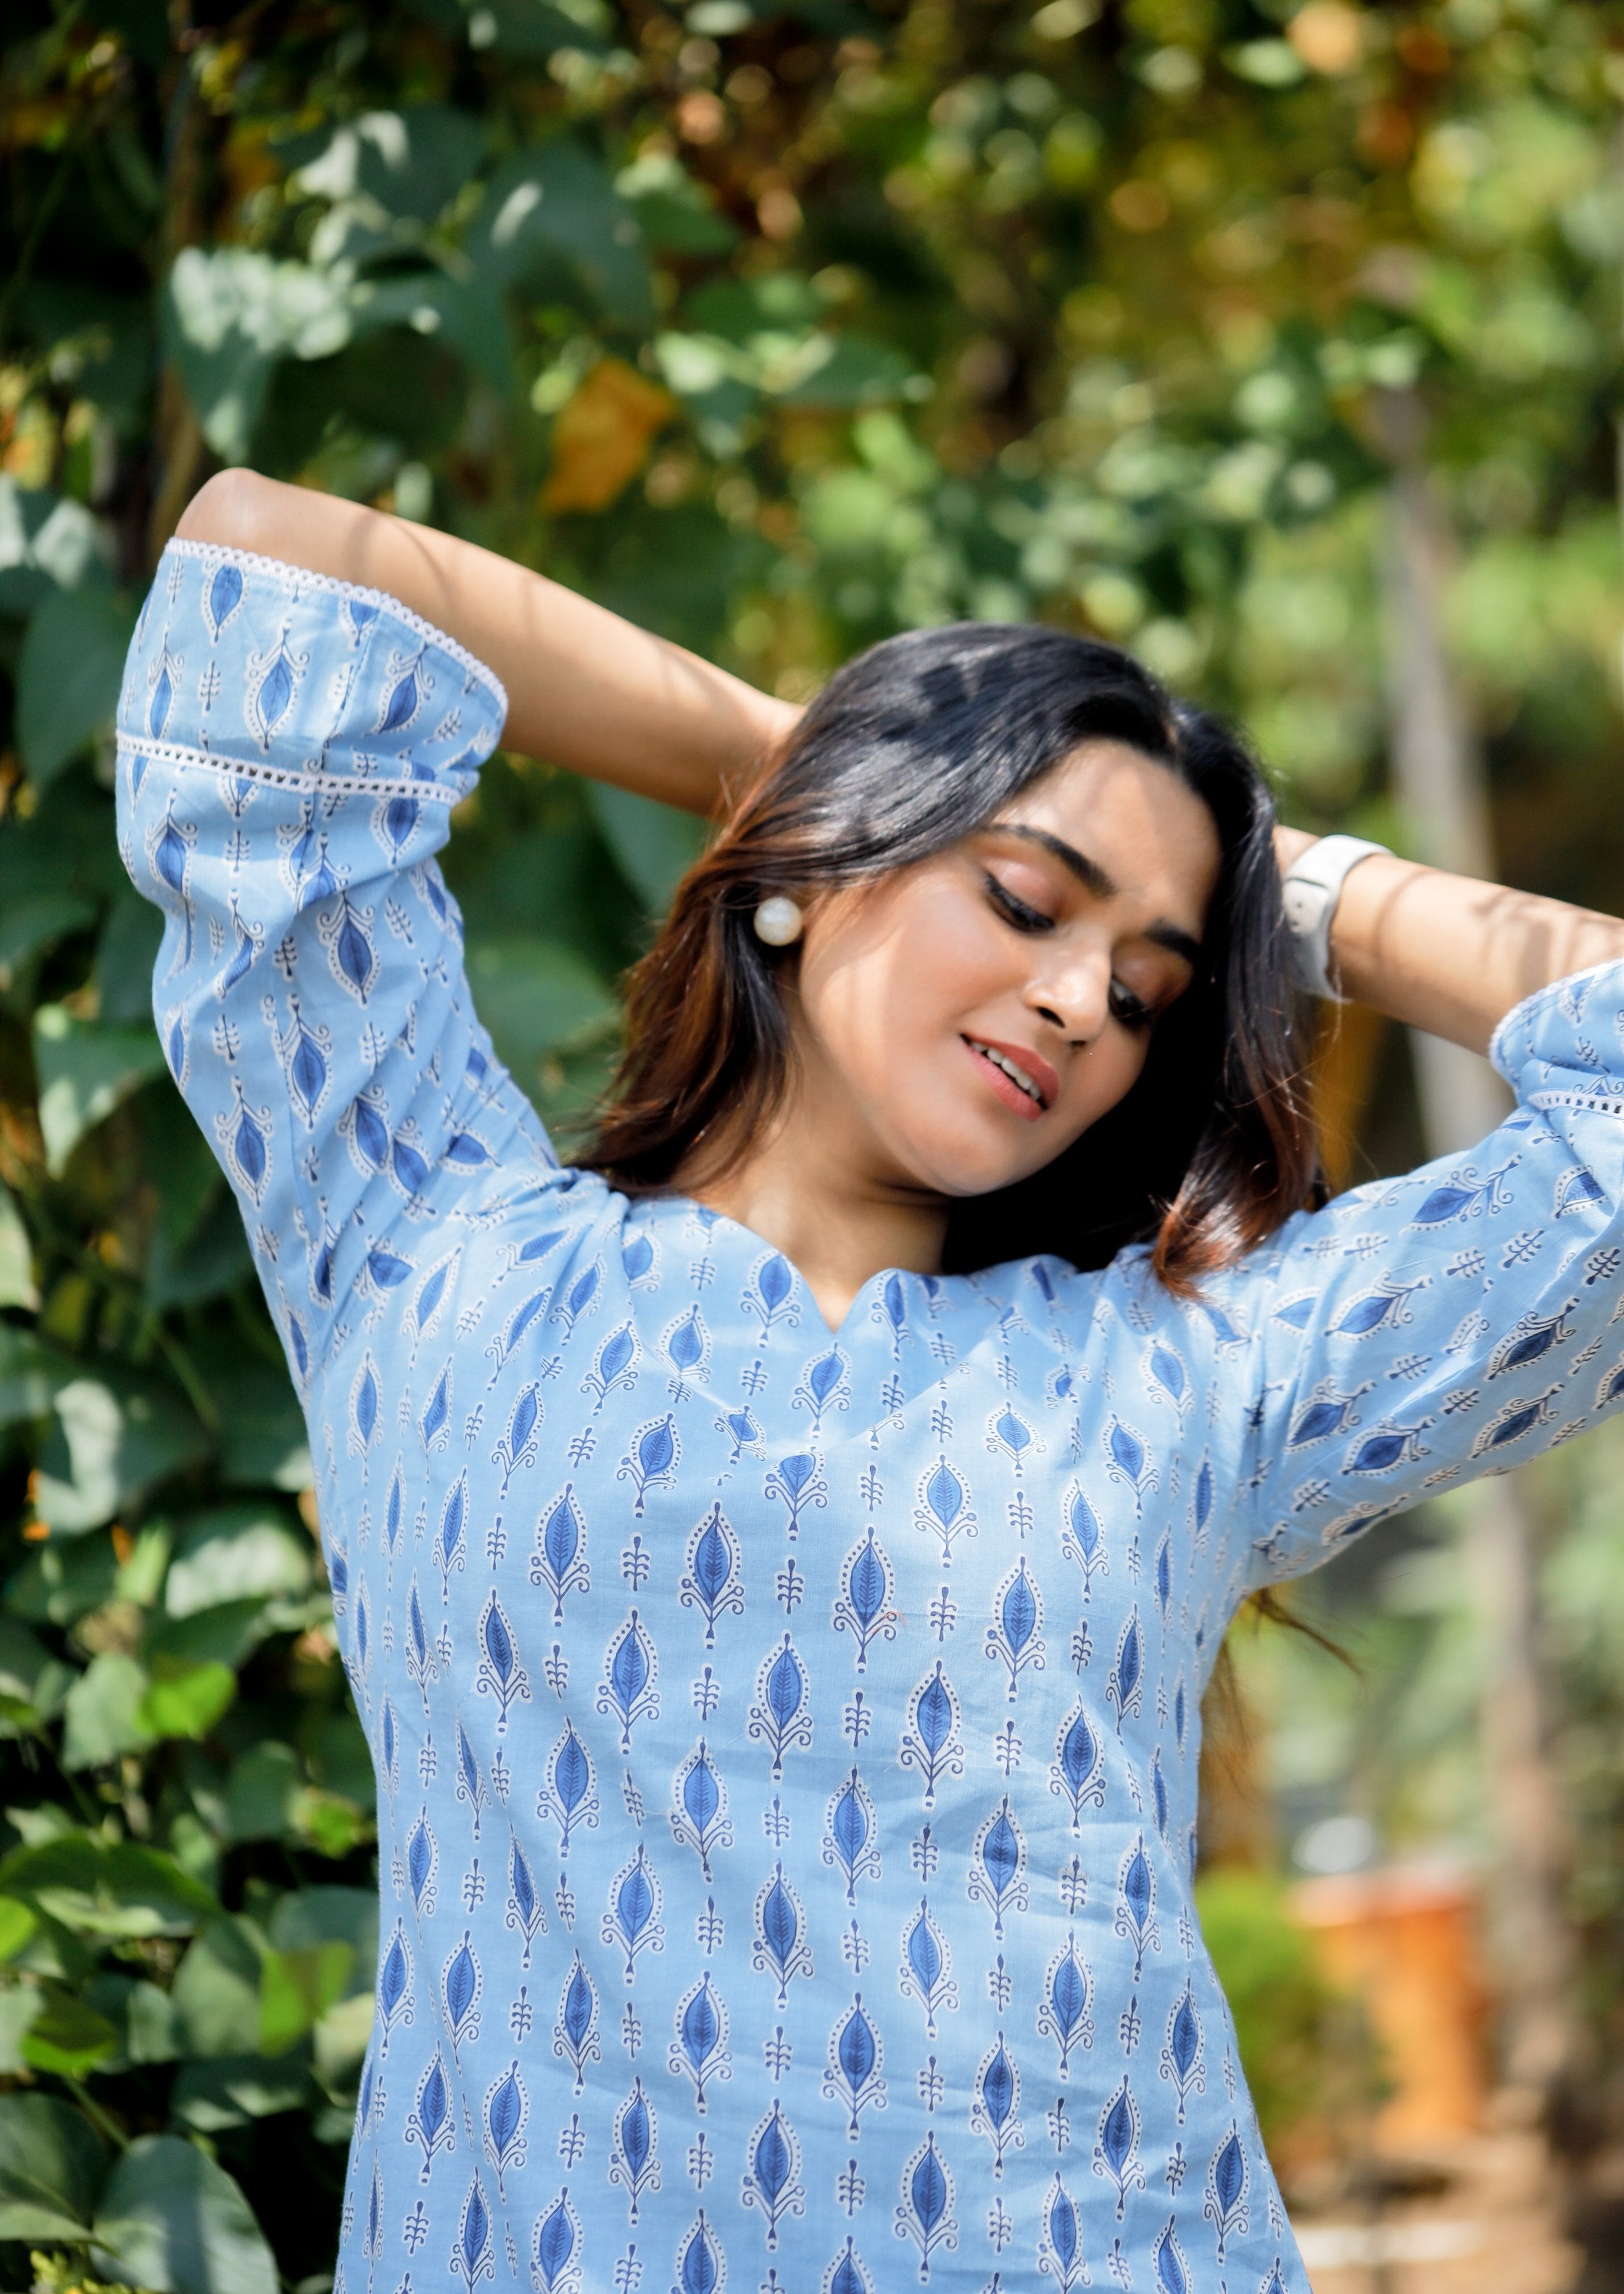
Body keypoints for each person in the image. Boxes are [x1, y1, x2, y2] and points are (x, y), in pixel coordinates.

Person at [116, 468, 1624, 2294]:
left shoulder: (1181, 1380)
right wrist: (789, 755)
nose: (1082, 1000)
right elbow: (269, 578)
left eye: (1148, 987)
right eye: (1022, 894)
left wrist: (1282, 908)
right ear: (821, 860)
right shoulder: (425, 1248)